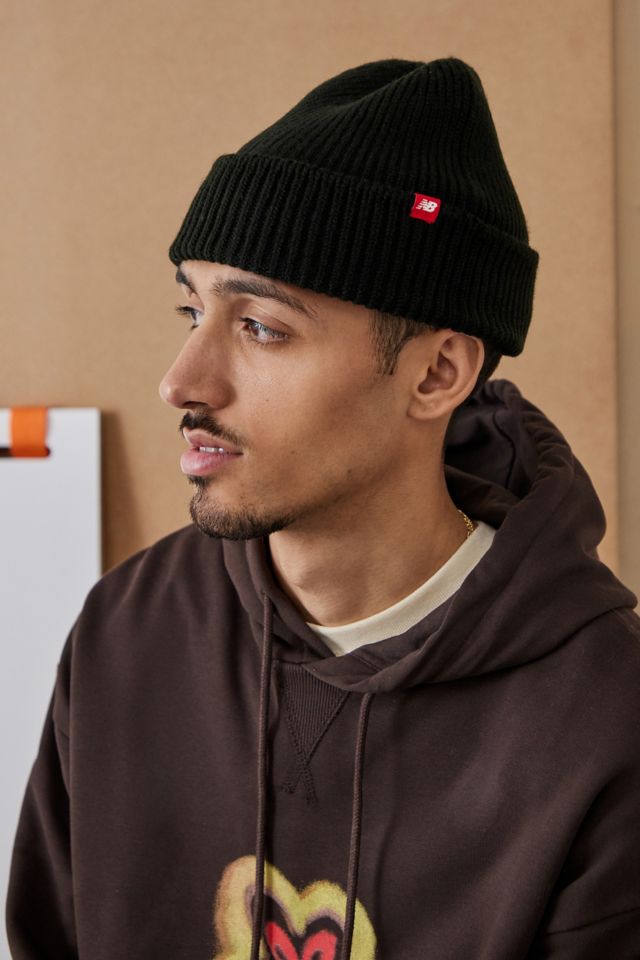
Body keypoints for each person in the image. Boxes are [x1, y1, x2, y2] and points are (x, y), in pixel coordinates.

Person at [6, 56, 640, 960]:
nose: (182, 381)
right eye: (192, 312)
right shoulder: (128, 629)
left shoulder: (602, 715)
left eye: (261, 327)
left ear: (437, 373)